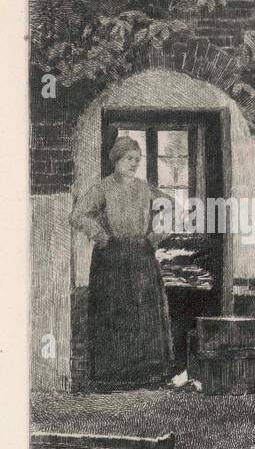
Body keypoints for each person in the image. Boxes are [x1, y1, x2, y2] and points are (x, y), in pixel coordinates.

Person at [69, 136, 176, 390]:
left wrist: (155, 236)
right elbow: (77, 215)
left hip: (140, 255)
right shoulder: (102, 188)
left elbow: (171, 206)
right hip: (111, 257)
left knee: (144, 313)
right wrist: (100, 235)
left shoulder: (144, 188)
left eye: (137, 161)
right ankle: (112, 376)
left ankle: (147, 374)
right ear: (116, 159)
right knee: (114, 313)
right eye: (129, 159)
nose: (134, 164)